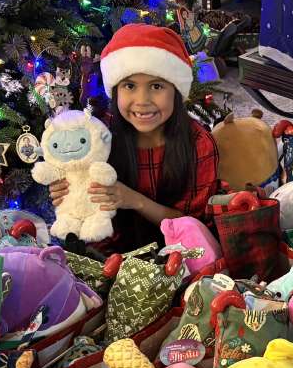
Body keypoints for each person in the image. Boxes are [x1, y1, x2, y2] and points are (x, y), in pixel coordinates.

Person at [48, 24, 219, 253]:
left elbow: (196, 230)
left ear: (176, 91)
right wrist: (68, 193)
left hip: (182, 257)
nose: (142, 100)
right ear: (115, 90)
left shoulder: (198, 144)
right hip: (111, 254)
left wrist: (135, 200)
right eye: (129, 85)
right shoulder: (99, 135)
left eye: (156, 86)